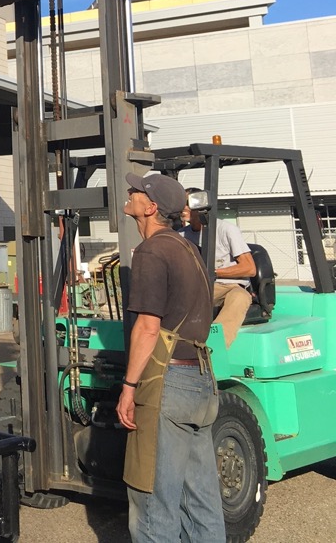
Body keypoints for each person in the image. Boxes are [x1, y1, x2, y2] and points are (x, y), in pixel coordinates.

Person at [117, 171, 223, 543]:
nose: (129, 192)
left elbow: (148, 328)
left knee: (152, 504)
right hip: (201, 381)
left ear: (151, 207)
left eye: (136, 191)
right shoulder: (188, 249)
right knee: (202, 503)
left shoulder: (151, 251)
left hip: (168, 383)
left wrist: (129, 388)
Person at [181, 188, 254, 347]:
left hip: (228, 286)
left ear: (201, 205)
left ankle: (214, 347)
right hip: (199, 288)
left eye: (188, 203)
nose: (183, 208)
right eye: (181, 203)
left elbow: (249, 268)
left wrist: (212, 273)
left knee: (239, 298)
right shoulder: (181, 236)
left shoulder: (226, 230)